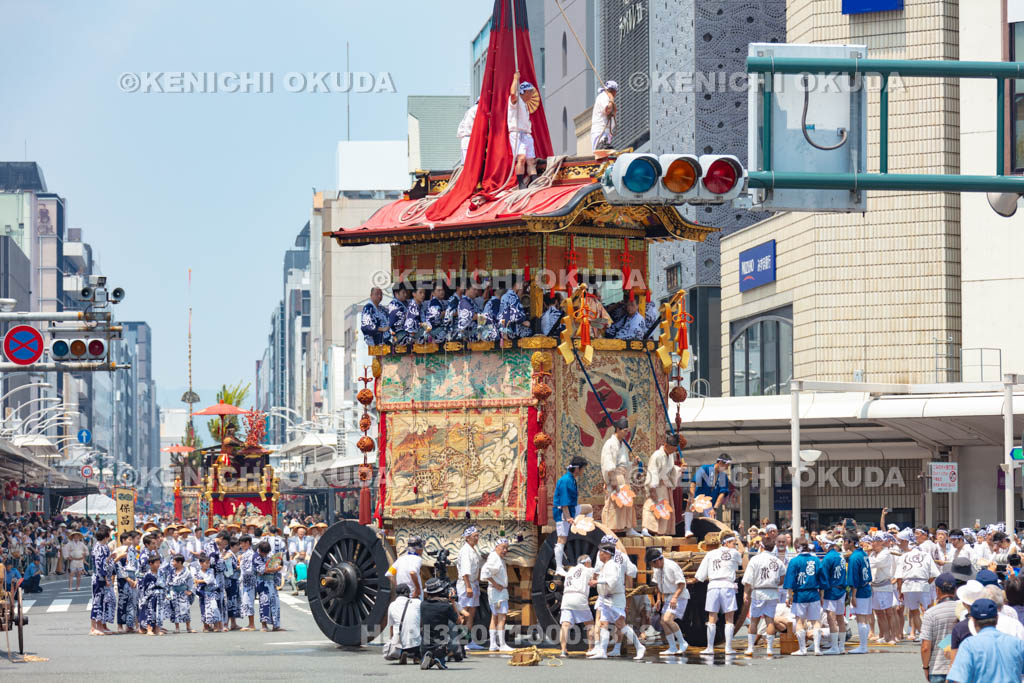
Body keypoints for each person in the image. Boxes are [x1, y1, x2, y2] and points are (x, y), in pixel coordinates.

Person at [588, 542, 646, 660]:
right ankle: (603, 651)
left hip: (615, 598)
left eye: (601, 552)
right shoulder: (606, 564)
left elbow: (613, 581)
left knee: (620, 624)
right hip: (605, 598)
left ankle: (639, 647)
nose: (599, 554)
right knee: (604, 623)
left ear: (607, 554)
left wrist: (597, 582)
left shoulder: (612, 565)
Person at [947, 598, 1024, 682]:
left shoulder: (968, 645)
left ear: (972, 619)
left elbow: (958, 679)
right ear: (997, 618)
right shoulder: (1017, 643)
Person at [696, 530, 744, 655]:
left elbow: (701, 575)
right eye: (734, 543)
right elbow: (741, 557)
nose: (735, 546)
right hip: (727, 586)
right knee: (729, 617)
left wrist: (694, 580)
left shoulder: (710, 553)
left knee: (712, 616)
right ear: (727, 543)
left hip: (713, 585)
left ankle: (709, 648)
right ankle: (728, 648)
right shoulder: (734, 553)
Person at [784, 538, 828, 656]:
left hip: (800, 594)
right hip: (814, 593)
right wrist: (822, 595)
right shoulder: (816, 560)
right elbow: (823, 579)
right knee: (815, 620)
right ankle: (817, 648)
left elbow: (789, 580)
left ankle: (802, 649)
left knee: (799, 620)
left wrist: (789, 596)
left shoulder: (794, 561)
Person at [742, 537, 785, 656]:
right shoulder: (777, 561)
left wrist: (746, 592)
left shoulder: (755, 559)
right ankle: (770, 649)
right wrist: (775, 584)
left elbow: (748, 579)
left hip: (758, 592)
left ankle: (750, 648)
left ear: (761, 546)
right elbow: (782, 578)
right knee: (769, 620)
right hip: (772, 592)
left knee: (754, 620)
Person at [896, 531, 941, 642]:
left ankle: (923, 636)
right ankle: (927, 635)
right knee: (926, 610)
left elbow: (898, 577)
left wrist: (900, 591)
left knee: (915, 611)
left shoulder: (904, 556)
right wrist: (927, 582)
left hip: (908, 585)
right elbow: (935, 574)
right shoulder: (926, 556)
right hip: (922, 584)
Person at [648, 547, 689, 656]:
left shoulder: (672, 566)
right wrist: (658, 599)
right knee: (663, 621)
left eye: (653, 564)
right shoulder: (656, 568)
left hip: (679, 595)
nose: (653, 567)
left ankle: (682, 642)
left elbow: (682, 583)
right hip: (667, 596)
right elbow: (658, 584)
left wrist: (675, 598)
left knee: (667, 619)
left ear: (657, 561)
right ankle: (672, 647)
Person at [601, 418, 638, 534]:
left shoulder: (622, 444)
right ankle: (609, 530)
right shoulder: (610, 444)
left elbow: (624, 463)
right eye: (625, 431)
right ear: (618, 429)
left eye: (627, 431)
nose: (626, 433)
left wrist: (633, 464)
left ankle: (629, 528)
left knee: (626, 500)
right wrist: (613, 481)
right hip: (615, 475)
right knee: (613, 502)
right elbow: (608, 464)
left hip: (623, 475)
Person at [921, 573, 959, 683]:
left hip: (937, 667)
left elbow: (925, 647)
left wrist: (925, 667)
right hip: (959, 666)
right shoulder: (963, 609)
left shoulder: (930, 613)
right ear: (955, 590)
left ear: (937, 590)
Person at [552, 456, 588, 574]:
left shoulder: (572, 478)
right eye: (583, 469)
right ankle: (558, 567)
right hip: (563, 513)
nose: (583, 471)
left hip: (572, 509)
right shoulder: (565, 480)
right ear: (577, 469)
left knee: (589, 508)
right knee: (562, 539)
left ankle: (583, 527)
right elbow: (564, 502)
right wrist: (568, 517)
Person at [642, 432, 681, 536]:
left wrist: (679, 470)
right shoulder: (657, 456)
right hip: (656, 484)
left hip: (665, 484)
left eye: (674, 449)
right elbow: (652, 471)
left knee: (663, 508)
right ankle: (646, 528)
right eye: (671, 449)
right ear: (666, 445)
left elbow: (671, 469)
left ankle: (661, 531)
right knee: (651, 504)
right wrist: (652, 488)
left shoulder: (671, 455)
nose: (673, 451)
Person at [480, 537, 514, 652]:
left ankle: (493, 644)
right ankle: (502, 644)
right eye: (503, 548)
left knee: (494, 618)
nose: (505, 550)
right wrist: (495, 583)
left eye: (506, 548)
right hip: (498, 591)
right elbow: (485, 572)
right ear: (496, 547)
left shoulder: (496, 557)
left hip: (495, 591)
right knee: (502, 617)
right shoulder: (495, 558)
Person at [559, 555, 595, 657]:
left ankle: (563, 650)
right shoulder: (588, 570)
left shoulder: (570, 570)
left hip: (566, 598)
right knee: (590, 625)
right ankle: (591, 648)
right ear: (587, 563)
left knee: (565, 625)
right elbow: (598, 574)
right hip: (579, 598)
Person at [419, 577, 460, 670]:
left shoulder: (423, 605)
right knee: (452, 633)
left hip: (425, 643)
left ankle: (428, 658)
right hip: (441, 644)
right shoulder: (445, 606)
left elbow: (421, 623)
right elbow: (458, 621)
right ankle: (439, 659)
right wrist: (453, 602)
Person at [686, 453, 731, 535]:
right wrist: (693, 497)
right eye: (725, 466)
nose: (725, 469)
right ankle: (687, 530)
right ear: (720, 462)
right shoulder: (705, 469)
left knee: (711, 522)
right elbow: (693, 484)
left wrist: (715, 508)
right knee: (690, 506)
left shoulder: (723, 476)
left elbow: (722, 494)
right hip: (697, 499)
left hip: (709, 504)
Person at [456, 526, 483, 649]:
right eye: (474, 536)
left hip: (473, 583)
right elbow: (465, 571)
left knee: (471, 613)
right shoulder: (466, 551)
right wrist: (468, 587)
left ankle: (469, 640)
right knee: (464, 613)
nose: (477, 538)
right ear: (467, 538)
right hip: (466, 583)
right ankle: (461, 640)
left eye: (478, 536)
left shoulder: (473, 550)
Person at [508, 73, 538, 188]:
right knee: (521, 158)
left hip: (526, 134)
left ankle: (534, 181)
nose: (531, 94)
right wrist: (515, 79)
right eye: (529, 91)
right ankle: (521, 184)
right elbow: (512, 94)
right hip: (517, 133)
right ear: (524, 92)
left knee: (531, 160)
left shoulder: (525, 105)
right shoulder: (516, 102)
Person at [820, 537, 848, 654]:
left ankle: (835, 647)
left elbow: (823, 577)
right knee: (840, 618)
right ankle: (841, 646)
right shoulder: (840, 556)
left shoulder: (828, 558)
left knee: (831, 618)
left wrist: (821, 594)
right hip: (841, 589)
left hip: (831, 590)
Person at [869, 533, 899, 644]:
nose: (873, 543)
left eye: (876, 540)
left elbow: (877, 563)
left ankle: (893, 636)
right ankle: (885, 635)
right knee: (879, 613)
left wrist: (863, 558)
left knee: (889, 612)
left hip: (885, 585)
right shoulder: (872, 554)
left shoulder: (886, 553)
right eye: (873, 541)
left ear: (882, 542)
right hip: (874, 585)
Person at [90, 525, 117, 636]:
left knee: (105, 602)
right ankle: (94, 627)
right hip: (99, 578)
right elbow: (99, 565)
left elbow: (105, 562)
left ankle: (102, 625)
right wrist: (105, 577)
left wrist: (110, 558)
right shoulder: (98, 548)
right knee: (97, 602)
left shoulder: (105, 547)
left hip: (105, 577)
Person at [385, 583, 422, 664]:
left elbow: (391, 626)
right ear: (408, 593)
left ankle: (402, 653)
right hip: (415, 641)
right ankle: (417, 656)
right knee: (421, 628)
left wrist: (392, 640)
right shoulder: (417, 602)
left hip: (399, 643)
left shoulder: (392, 605)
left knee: (397, 630)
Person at [253, 540, 284, 632]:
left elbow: (276, 566)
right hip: (262, 582)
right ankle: (264, 625)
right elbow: (262, 570)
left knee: (276, 603)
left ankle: (276, 625)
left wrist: (276, 582)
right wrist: (275, 569)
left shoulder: (270, 555)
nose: (265, 554)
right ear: (260, 550)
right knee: (264, 602)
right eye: (264, 553)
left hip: (271, 582)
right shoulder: (256, 557)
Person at [167, 554, 195, 633]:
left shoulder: (186, 572)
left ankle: (188, 627)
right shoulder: (171, 572)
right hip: (174, 592)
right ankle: (177, 627)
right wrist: (168, 594)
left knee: (186, 609)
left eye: (174, 561)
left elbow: (191, 582)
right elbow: (168, 583)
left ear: (179, 562)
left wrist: (190, 591)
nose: (172, 563)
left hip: (183, 593)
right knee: (175, 610)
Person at [138, 555, 165, 636]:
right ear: (151, 564)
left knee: (159, 612)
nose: (158, 564)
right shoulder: (147, 575)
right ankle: (149, 628)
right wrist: (144, 598)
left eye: (159, 563)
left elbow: (165, 584)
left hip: (160, 595)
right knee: (150, 612)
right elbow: (144, 587)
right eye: (156, 563)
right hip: (150, 596)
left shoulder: (161, 573)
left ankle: (157, 628)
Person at [590, 80, 618, 152]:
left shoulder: (608, 99)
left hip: (606, 132)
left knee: (605, 152)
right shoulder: (603, 97)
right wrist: (611, 99)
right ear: (613, 91)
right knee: (601, 151)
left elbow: (614, 111)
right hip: (600, 131)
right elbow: (608, 110)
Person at [456, 98, 478, 164]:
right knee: (469, 164)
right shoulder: (476, 109)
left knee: (466, 164)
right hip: (470, 139)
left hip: (468, 139)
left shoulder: (472, 109)